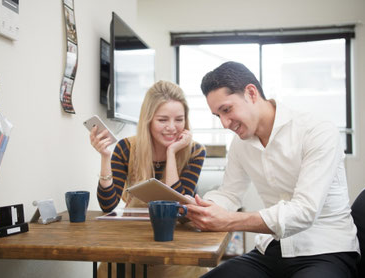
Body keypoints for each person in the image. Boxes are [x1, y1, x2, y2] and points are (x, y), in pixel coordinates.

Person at [186, 61, 360, 278]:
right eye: (217, 116)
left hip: (326, 250)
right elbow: (230, 193)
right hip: (273, 249)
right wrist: (205, 207)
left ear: (251, 93)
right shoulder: (240, 145)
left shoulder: (317, 130)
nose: (224, 123)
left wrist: (228, 219)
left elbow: (304, 211)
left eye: (226, 110)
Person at [89, 80, 207, 277]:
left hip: (176, 243)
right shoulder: (127, 148)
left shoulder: (195, 151)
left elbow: (177, 205)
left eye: (179, 119)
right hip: (132, 240)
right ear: (148, 120)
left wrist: (171, 153)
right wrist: (105, 157)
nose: (172, 127)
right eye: (163, 120)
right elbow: (108, 205)